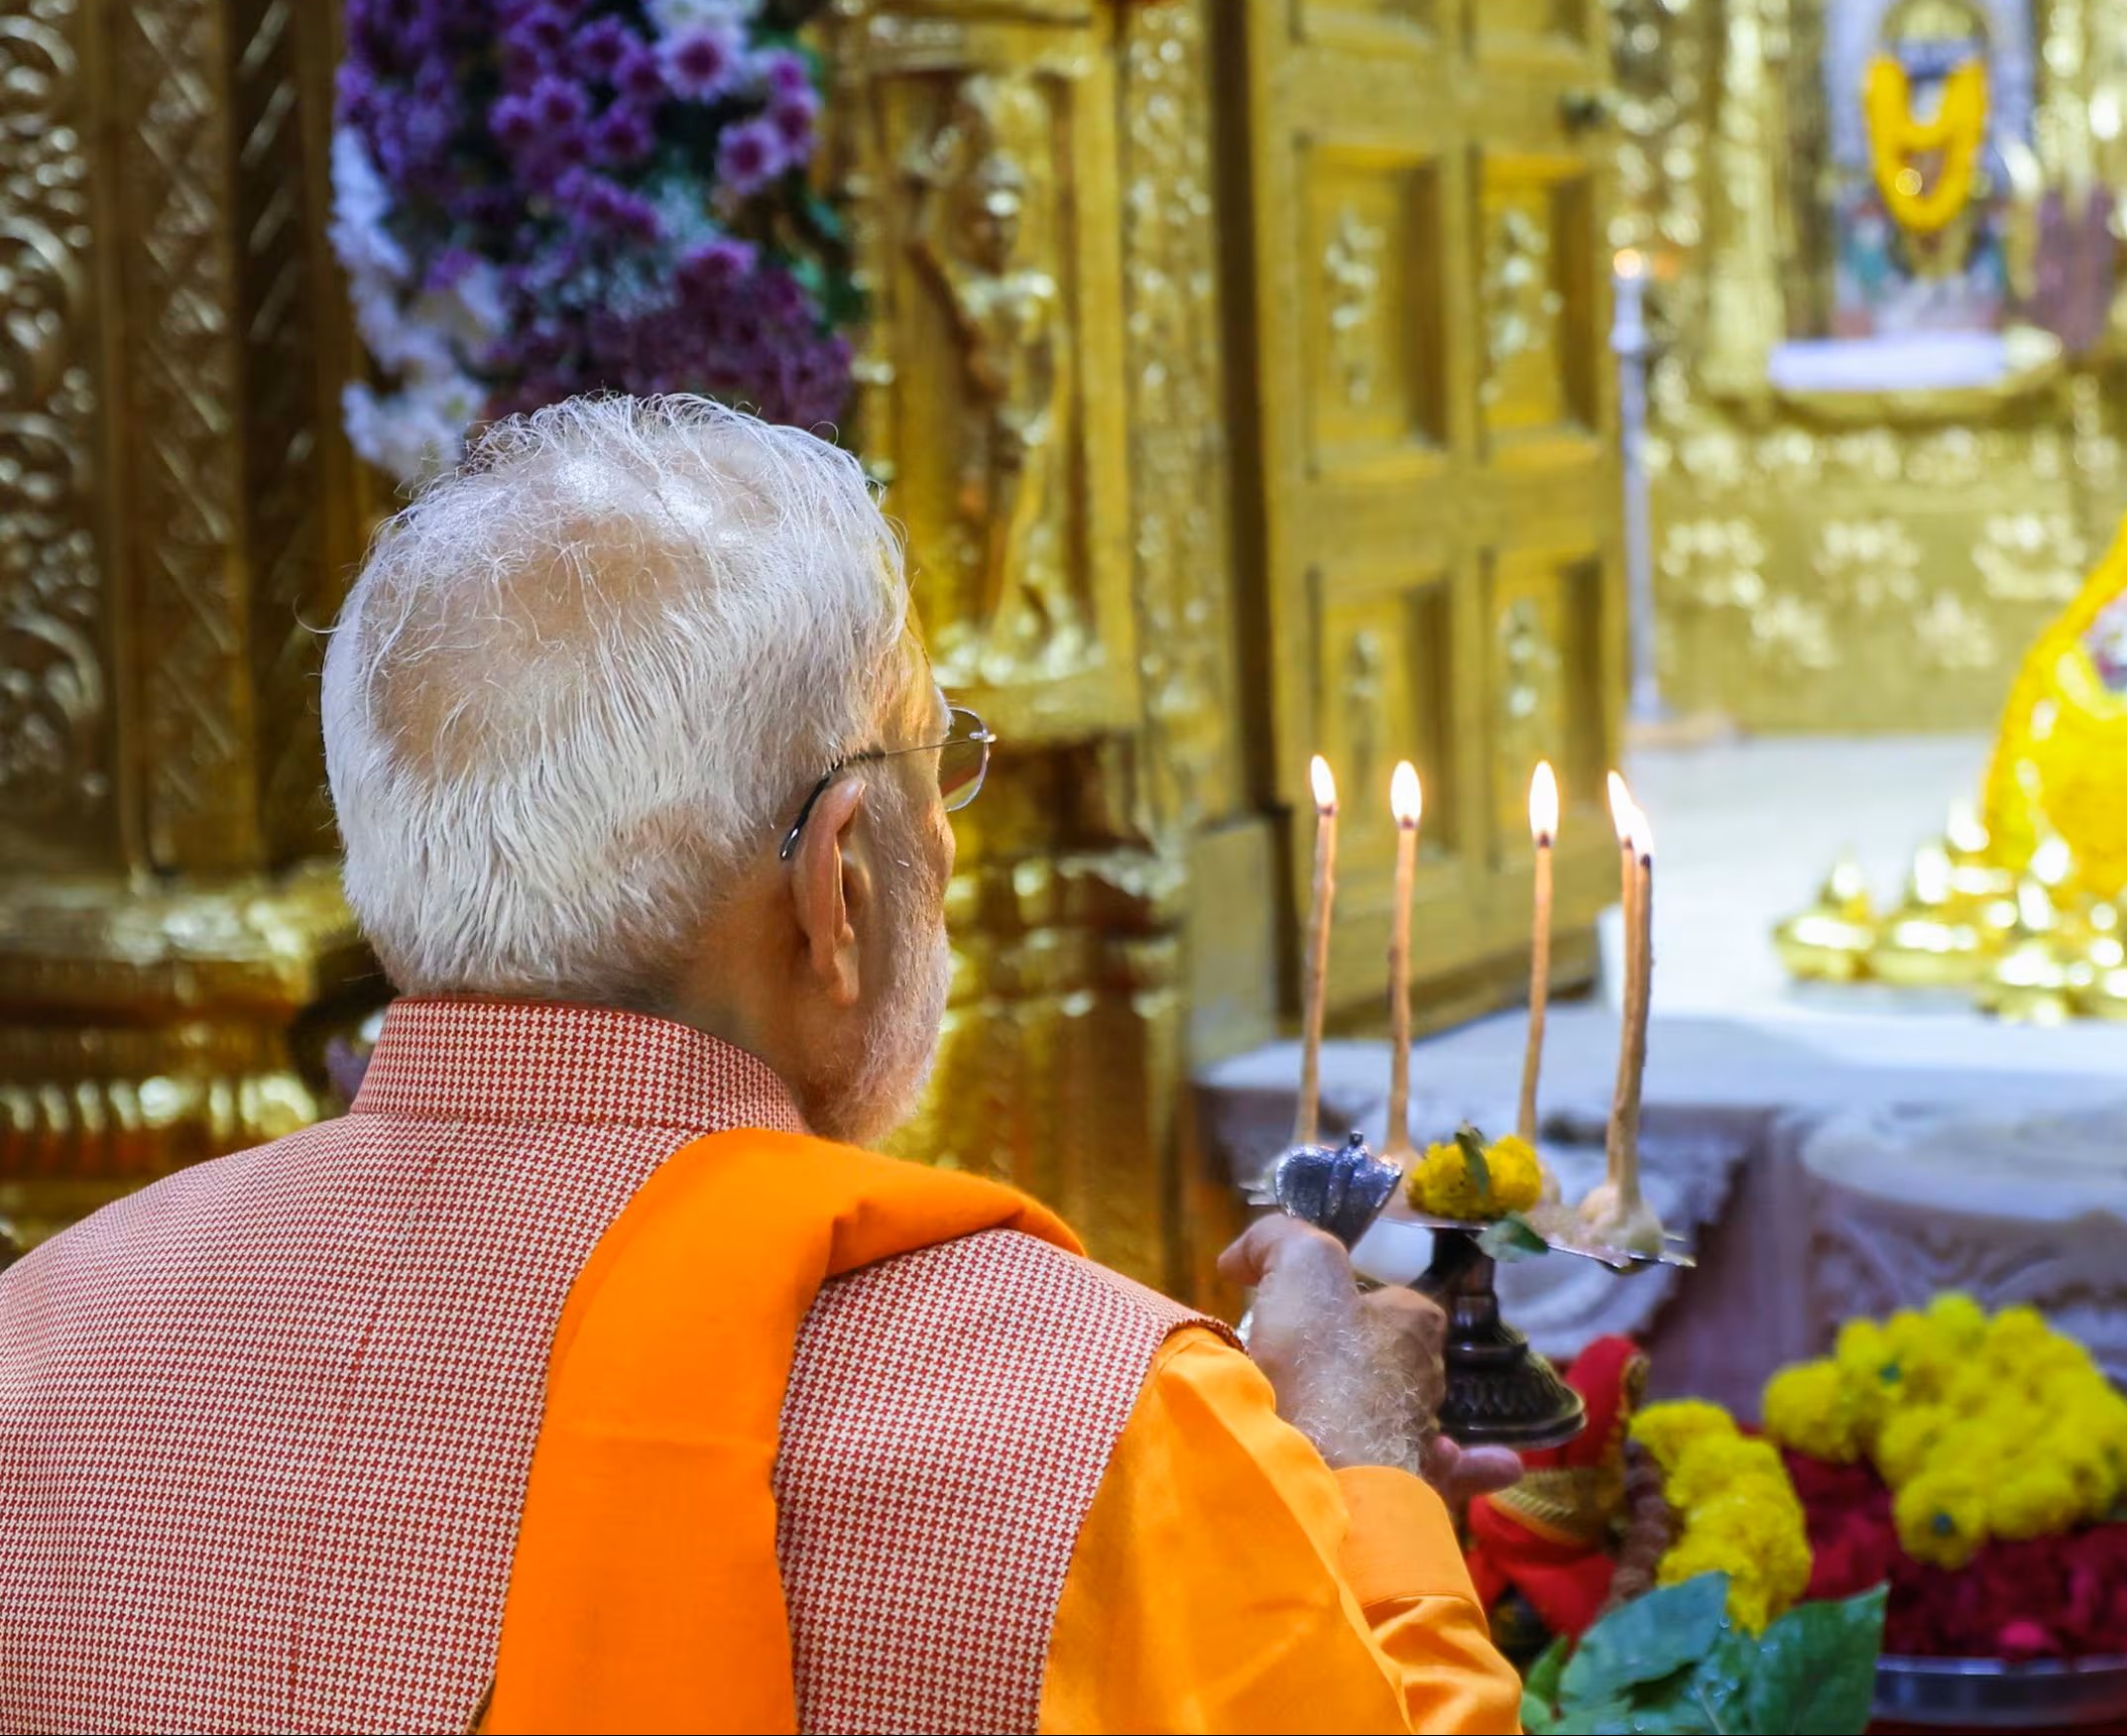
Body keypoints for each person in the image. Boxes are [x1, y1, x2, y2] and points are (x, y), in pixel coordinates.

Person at [0, 395, 1522, 1735]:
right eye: (939, 759)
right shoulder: (1096, 1426)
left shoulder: (38, 1343)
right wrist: (1363, 1473)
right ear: (839, 883)